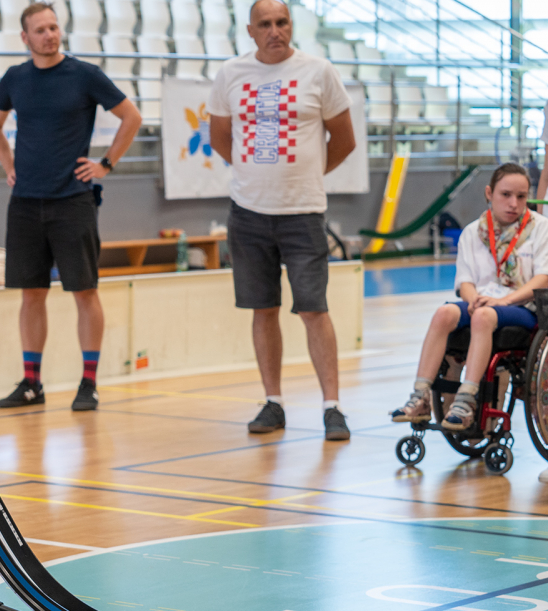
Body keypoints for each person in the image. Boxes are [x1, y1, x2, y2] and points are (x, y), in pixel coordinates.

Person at [207, 0, 356, 441]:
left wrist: (305, 176)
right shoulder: (230, 74)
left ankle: (332, 407)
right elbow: (220, 137)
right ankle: (273, 402)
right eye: (266, 24)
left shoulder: (319, 71)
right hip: (248, 213)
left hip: (303, 213)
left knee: (313, 309)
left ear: (291, 25)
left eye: (282, 22)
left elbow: (344, 139)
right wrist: (256, 174)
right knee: (263, 308)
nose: (275, 30)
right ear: (251, 31)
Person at [0, 2, 142, 412]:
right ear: (25, 37)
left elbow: (131, 117)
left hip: (73, 201)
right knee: (31, 294)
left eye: (54, 27)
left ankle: (88, 383)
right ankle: (32, 383)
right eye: (40, 30)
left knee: (84, 292)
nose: (50, 35)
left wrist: (105, 164)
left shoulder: (84, 75)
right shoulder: (15, 78)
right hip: (25, 203)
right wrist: (9, 166)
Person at [390, 164, 547, 436]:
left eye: (521, 196)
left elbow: (542, 279)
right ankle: (421, 396)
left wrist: (505, 301)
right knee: (444, 313)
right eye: (506, 195)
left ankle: (466, 399)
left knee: (483, 316)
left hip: (522, 307)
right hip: (484, 303)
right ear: (489, 193)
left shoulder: (540, 228)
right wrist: (473, 299)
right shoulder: (473, 232)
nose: (514, 203)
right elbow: (465, 282)